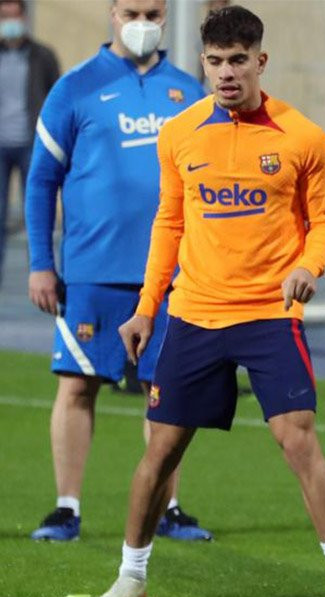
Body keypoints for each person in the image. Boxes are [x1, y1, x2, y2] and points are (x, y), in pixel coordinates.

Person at [94, 6, 325, 597]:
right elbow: (170, 222)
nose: (225, 73)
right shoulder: (182, 133)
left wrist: (309, 267)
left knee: (297, 440)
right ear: (203, 63)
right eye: (214, 61)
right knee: (161, 452)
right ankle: (130, 576)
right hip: (194, 314)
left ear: (260, 62)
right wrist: (145, 309)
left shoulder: (303, 136)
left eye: (237, 60)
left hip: (271, 314)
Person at [24, 0, 208, 543]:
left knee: (167, 393)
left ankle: (169, 508)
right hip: (92, 270)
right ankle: (66, 509)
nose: (144, 23)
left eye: (154, 13)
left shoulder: (189, 93)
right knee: (78, 385)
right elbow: (40, 181)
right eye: (133, 11)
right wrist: (41, 263)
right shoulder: (74, 88)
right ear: (112, 12)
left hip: (171, 276)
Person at [0, 0, 56, 288]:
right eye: (4, 16)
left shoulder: (42, 56)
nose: (9, 21)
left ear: (24, 17)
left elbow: (55, 100)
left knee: (34, 211)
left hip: (30, 145)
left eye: (14, 15)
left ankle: (39, 272)